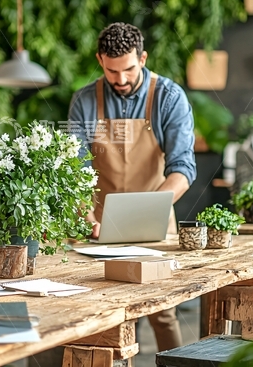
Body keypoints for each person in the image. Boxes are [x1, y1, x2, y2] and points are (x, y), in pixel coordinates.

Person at [68, 22, 196, 351]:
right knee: (101, 311)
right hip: (98, 226)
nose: (121, 80)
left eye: (127, 69)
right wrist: (85, 214)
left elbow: (183, 167)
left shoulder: (168, 98)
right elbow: (74, 170)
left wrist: (147, 210)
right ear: (100, 60)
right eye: (112, 71)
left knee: (163, 312)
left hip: (154, 219)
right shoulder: (84, 101)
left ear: (142, 58)